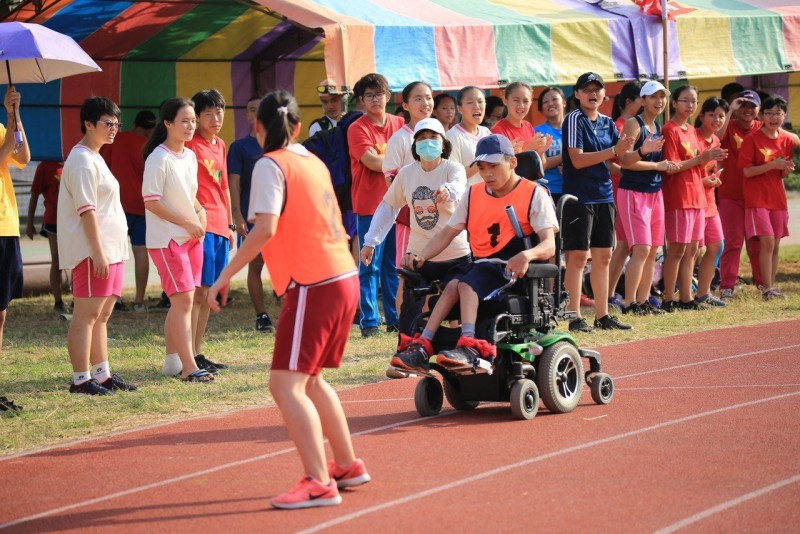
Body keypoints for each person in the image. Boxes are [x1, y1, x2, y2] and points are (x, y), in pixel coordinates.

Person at [208, 91, 369, 510]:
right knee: (311, 379)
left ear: (256, 127)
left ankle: (319, 480)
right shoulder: (311, 161)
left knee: (285, 383)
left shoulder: (269, 164)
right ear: (298, 126)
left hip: (314, 281)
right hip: (341, 275)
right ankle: (347, 465)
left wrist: (225, 275)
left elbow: (264, 229)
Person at [389, 134, 557, 374]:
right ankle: (423, 345)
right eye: (481, 167)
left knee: (466, 285)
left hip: (509, 268)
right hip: (481, 265)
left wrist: (528, 255)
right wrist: (422, 256)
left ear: (512, 163)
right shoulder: (473, 193)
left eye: (494, 166)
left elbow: (549, 245)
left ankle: (470, 346)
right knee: (452, 284)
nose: (487, 173)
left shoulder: (534, 193)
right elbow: (447, 233)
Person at [58, 97, 136, 395]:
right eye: (107, 123)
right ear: (88, 124)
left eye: (117, 123)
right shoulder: (80, 159)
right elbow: (87, 210)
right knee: (86, 316)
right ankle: (81, 379)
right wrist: (98, 252)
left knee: (102, 316)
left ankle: (102, 375)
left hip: (112, 249)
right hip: (94, 252)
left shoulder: (96, 156)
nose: (114, 129)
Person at [362, 117, 469, 334]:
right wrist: (370, 242)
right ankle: (408, 346)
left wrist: (448, 190)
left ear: (443, 144)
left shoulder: (453, 168)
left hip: (456, 254)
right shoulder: (406, 173)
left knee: (460, 309)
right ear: (415, 146)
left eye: (433, 138)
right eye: (422, 138)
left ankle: (462, 347)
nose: (427, 142)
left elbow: (458, 185)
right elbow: (388, 208)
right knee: (408, 305)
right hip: (419, 255)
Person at [142, 98, 213, 382]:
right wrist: (186, 221)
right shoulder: (158, 158)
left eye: (193, 120)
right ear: (168, 123)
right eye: (184, 121)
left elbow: (189, 195)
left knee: (184, 301)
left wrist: (200, 211)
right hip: (168, 238)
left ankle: (174, 361)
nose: (190, 126)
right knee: (183, 301)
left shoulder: (190, 156)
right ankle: (188, 367)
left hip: (191, 237)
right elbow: (151, 201)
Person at [562, 72, 635, 332]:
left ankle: (602, 316)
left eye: (597, 89)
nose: (593, 94)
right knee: (578, 257)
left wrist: (642, 151)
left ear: (605, 94)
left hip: (604, 194)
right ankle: (574, 317)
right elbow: (577, 159)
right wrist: (615, 151)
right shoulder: (573, 119)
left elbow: (623, 159)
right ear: (578, 95)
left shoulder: (607, 122)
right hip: (579, 196)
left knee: (603, 256)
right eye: (587, 89)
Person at [660, 85, 727, 312]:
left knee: (693, 250)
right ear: (675, 103)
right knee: (677, 249)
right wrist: (702, 160)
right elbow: (671, 167)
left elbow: (698, 169)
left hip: (698, 198)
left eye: (694, 101)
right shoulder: (670, 129)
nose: (690, 105)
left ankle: (687, 297)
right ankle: (669, 298)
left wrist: (709, 176)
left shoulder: (691, 130)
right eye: (685, 100)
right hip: (679, 196)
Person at [347, 73, 404, 337]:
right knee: (370, 265)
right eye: (369, 95)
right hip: (370, 204)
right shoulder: (357, 128)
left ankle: (394, 318)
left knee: (394, 265)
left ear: (388, 96)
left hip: (400, 202)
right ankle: (370, 322)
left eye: (378, 94)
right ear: (361, 100)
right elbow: (371, 162)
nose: (374, 99)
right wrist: (400, 163)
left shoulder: (400, 124)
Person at [616, 81, 676, 315]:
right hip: (633, 193)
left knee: (653, 250)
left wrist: (663, 166)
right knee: (640, 249)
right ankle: (629, 304)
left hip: (655, 192)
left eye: (662, 96)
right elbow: (625, 160)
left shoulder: (657, 126)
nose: (659, 101)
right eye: (653, 96)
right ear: (642, 100)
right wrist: (651, 158)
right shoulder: (634, 124)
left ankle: (643, 301)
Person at [185, 89, 233, 372]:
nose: (216, 118)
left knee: (208, 293)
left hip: (220, 226)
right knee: (197, 294)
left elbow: (224, 185)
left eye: (220, 112)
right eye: (208, 114)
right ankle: (187, 353)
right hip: (200, 227)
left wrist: (229, 225)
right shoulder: (190, 145)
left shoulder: (221, 144)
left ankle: (198, 351)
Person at [383, 82, 434, 327]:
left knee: (434, 271)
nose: (425, 103)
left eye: (428, 97)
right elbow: (391, 181)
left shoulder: (439, 136)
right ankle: (406, 324)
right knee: (408, 272)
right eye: (418, 99)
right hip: (409, 218)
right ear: (405, 105)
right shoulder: (400, 139)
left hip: (438, 219)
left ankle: (427, 323)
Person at [740, 95, 799, 300]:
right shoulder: (752, 139)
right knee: (766, 244)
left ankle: (771, 287)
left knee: (775, 245)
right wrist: (773, 165)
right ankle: (765, 288)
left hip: (778, 199)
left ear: (784, 115)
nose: (774, 118)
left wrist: (785, 170)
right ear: (762, 115)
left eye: (778, 114)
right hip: (757, 199)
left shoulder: (786, 140)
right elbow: (747, 172)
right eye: (769, 113)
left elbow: (782, 171)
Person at [228, 95, 275, 333]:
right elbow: (233, 183)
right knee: (255, 264)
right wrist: (237, 216)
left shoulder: (281, 144)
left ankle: (290, 312)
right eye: (252, 109)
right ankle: (262, 315)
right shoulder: (239, 147)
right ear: (247, 115)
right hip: (252, 216)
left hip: (282, 216)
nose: (257, 113)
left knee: (285, 265)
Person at [101, 110, 156, 312]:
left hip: (117, 206)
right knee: (141, 252)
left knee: (115, 253)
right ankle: (139, 300)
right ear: (151, 130)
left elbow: (104, 165)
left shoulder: (117, 140)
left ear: (134, 123)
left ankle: (114, 298)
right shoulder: (148, 147)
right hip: (142, 206)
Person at [0, 85, 30, 412]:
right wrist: (9, 137)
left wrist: (14, 115)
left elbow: (22, 156)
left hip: (6, 226)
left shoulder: (1, 128)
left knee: (1, 313)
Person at [717, 90, 764, 299]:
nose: (747, 109)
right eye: (743, 105)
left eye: (752, 106)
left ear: (759, 110)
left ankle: (763, 284)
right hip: (730, 195)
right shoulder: (730, 126)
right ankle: (727, 286)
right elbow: (715, 138)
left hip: (757, 198)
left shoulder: (762, 129)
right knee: (733, 242)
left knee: (758, 243)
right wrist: (730, 111)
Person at [694, 97, 729, 306]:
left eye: (721, 116)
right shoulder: (693, 137)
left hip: (710, 203)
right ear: (702, 116)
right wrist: (702, 181)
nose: (717, 120)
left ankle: (703, 293)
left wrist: (713, 180)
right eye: (712, 115)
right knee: (692, 251)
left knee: (717, 245)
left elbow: (709, 172)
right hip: (693, 201)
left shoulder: (715, 140)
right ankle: (684, 295)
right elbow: (685, 172)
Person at [26, 160, 67, 312]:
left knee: (77, 260)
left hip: (75, 220)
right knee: (57, 259)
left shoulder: (76, 158)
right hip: (53, 220)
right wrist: (29, 223)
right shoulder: (44, 166)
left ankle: (78, 298)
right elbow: (34, 195)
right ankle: (58, 301)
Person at [491, 82, 550, 158]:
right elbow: (503, 166)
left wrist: (540, 152)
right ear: (505, 100)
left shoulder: (528, 126)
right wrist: (530, 149)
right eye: (516, 100)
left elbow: (541, 166)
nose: (521, 105)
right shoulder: (498, 131)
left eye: (525, 101)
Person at [446, 86, 491, 185]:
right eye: (470, 102)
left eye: (480, 101)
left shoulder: (486, 132)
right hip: (466, 198)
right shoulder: (453, 136)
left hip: (488, 196)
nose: (476, 106)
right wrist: (482, 161)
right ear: (459, 109)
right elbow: (453, 176)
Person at [534, 86, 567, 200]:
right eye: (545, 102)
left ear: (564, 102)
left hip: (575, 188)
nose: (550, 104)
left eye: (554, 99)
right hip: (549, 191)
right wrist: (566, 156)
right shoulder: (538, 132)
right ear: (541, 108)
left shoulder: (575, 128)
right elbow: (541, 165)